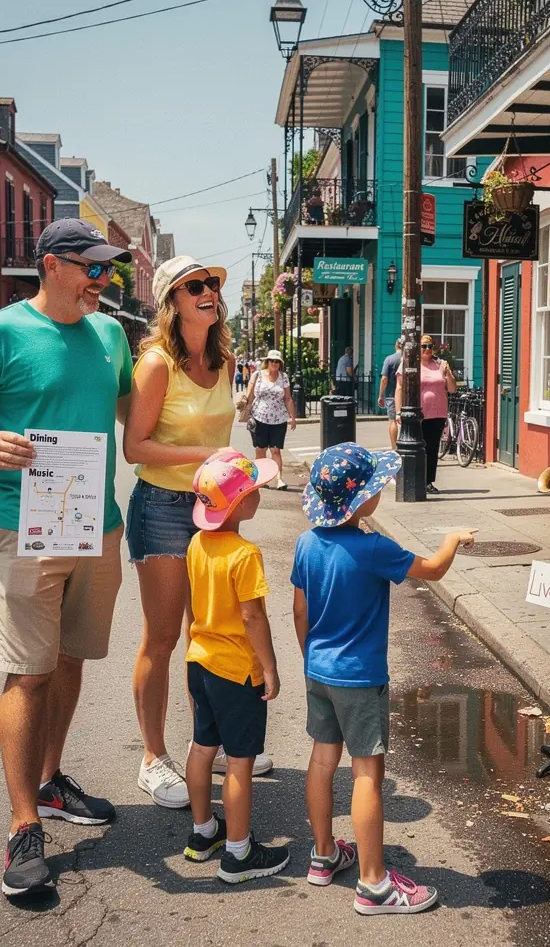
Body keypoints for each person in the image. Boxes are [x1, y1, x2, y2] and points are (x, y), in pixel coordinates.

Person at [0, 218, 135, 898]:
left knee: (73, 658)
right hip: (24, 526)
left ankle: (50, 782)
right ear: (53, 264)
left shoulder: (111, 335)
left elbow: (135, 418)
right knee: (27, 673)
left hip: (98, 526)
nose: (103, 282)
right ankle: (25, 823)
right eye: (93, 268)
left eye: (109, 271)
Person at [291, 443, 476, 914]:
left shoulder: (307, 543)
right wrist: (453, 539)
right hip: (360, 676)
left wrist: (311, 655)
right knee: (367, 772)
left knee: (320, 762)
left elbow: (300, 609)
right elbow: (432, 569)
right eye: (375, 488)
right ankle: (374, 884)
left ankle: (323, 854)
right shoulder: (374, 547)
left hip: (319, 668)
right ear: (360, 501)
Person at [123, 256, 273, 811]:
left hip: (211, 504)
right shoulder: (156, 363)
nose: (209, 292)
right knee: (162, 638)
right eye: (195, 287)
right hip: (161, 505)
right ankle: (152, 758)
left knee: (209, 631)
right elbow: (134, 447)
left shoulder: (227, 359)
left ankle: (209, 740)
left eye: (212, 285)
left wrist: (240, 476)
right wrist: (207, 454)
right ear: (173, 302)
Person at [182, 449, 290, 882]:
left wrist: (193, 640)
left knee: (202, 748)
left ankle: (202, 832)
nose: (259, 495)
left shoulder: (196, 544)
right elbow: (252, 616)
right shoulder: (244, 554)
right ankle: (238, 854)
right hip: (235, 671)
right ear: (242, 503)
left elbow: (193, 604)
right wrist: (271, 666)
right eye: (255, 491)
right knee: (240, 760)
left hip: (200, 662)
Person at [395, 334, 456, 495]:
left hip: (438, 413)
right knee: (415, 448)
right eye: (423, 346)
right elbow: (399, 388)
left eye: (430, 346)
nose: (427, 349)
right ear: (417, 348)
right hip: (417, 414)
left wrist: (448, 373)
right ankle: (414, 479)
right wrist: (398, 412)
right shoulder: (409, 364)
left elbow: (451, 389)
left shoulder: (440, 364)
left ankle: (428, 481)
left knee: (432, 448)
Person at [243, 349, 295, 490]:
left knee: (276, 450)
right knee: (261, 449)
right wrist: (245, 410)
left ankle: (279, 479)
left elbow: (288, 398)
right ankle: (262, 477)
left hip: (279, 418)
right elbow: (250, 396)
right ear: (267, 362)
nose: (274, 363)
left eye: (277, 361)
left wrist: (293, 417)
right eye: (272, 361)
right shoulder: (257, 375)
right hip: (259, 416)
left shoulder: (283, 377)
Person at [377, 337, 404, 451]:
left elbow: (384, 379)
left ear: (396, 346)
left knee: (393, 421)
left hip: (392, 394)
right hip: (407, 395)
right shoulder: (408, 359)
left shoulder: (389, 359)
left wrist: (380, 395)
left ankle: (394, 447)